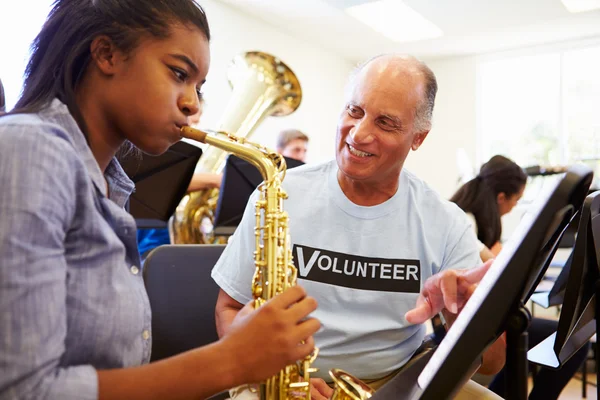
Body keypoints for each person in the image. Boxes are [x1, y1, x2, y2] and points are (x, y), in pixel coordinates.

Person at [0, 1, 321, 399]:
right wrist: (230, 361)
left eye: (198, 88)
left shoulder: (107, 183)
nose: (193, 105)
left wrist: (249, 354)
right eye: (179, 74)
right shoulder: (29, 149)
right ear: (106, 54)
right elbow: (22, 391)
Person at [212, 54, 506, 400]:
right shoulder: (276, 194)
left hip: (398, 382)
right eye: (354, 111)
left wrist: (463, 311)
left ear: (418, 138)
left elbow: (492, 363)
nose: (360, 133)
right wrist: (278, 377)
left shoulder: (446, 220)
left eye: (385, 123)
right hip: (280, 376)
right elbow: (229, 309)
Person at [450, 155, 590, 400]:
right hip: (460, 326)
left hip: (482, 320)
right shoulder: (463, 221)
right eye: (516, 200)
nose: (514, 207)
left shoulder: (476, 220)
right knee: (569, 342)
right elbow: (490, 271)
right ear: (501, 197)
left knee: (563, 340)